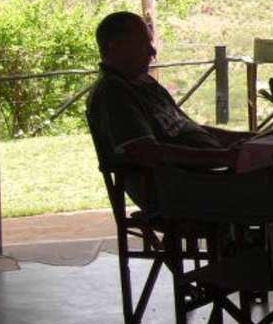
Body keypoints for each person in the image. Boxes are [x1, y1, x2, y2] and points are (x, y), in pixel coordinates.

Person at [86, 11, 249, 205]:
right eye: (143, 44)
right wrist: (223, 157)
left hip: (204, 177)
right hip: (177, 188)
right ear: (115, 46)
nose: (152, 51)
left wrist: (251, 139)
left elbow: (189, 128)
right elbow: (147, 153)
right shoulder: (113, 92)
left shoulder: (144, 83)